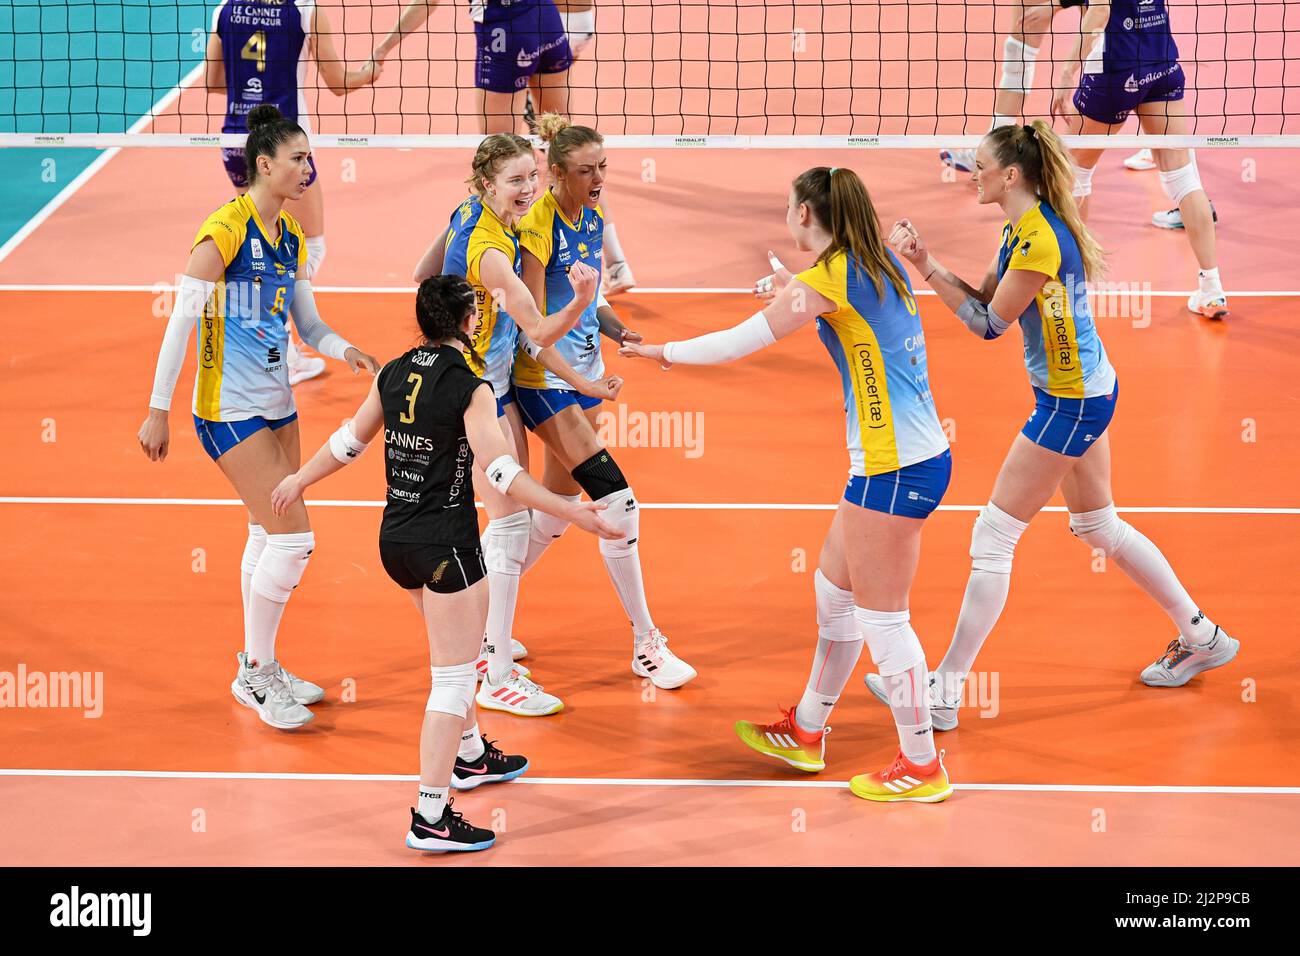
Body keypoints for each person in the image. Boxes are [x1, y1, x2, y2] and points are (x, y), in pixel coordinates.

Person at [873, 120, 1238, 733]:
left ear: (1010, 175)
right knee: (1099, 526)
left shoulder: (1038, 240)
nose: (973, 170)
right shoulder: (1022, 226)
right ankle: (1203, 635)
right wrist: (925, 261)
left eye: (981, 164)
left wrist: (923, 268)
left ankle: (944, 690)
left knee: (993, 537)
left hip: (1070, 405)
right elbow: (989, 302)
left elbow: (988, 326)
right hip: (1086, 390)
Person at [620, 167, 955, 804]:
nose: (785, 218)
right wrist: (790, 290)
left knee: (884, 619)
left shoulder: (826, 280)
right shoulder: (878, 259)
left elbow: (737, 343)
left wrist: (659, 352)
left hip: (896, 466)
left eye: (787, 209)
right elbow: (844, 315)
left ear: (805, 214)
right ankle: (806, 729)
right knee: (833, 590)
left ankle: (921, 763)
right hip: (895, 461)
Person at [271, 274, 619, 851]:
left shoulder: (393, 372)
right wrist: (569, 510)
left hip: (397, 543)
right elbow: (502, 473)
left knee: (465, 643)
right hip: (445, 545)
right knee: (454, 678)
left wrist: (298, 479)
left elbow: (348, 442)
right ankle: (430, 815)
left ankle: (473, 755)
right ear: (467, 323)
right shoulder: (471, 386)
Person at [137, 105, 380, 731]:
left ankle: (256, 665)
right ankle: (258, 672)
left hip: (279, 406)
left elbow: (310, 325)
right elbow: (180, 323)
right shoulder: (223, 231)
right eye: (298, 159)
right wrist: (157, 411)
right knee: (295, 538)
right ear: (263, 165)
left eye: (311, 157)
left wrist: (345, 349)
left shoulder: (291, 237)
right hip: (225, 410)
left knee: (265, 534)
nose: (310, 168)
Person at [415, 132, 618, 716]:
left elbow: (421, 273)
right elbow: (539, 331)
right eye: (516, 181)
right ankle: (494, 674)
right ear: (487, 184)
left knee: (510, 518)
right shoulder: (495, 253)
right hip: (471, 391)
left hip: (489, 381)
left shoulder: (469, 215)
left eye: (533, 177)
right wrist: (580, 300)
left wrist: (579, 385)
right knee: (507, 522)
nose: (529, 189)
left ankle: (488, 641)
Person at [510, 113, 696, 695]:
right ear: (556, 172)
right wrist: (585, 384)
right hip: (546, 382)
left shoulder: (591, 218)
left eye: (604, 167)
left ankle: (484, 613)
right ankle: (646, 644)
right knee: (618, 504)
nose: (598, 178)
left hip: (587, 373)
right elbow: (536, 331)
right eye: (586, 170)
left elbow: (590, 306)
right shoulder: (539, 228)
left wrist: (622, 333)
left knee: (554, 511)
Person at [204, 0, 380, 383]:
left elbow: (213, 82)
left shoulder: (224, 9)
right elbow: (337, 84)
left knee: (255, 243)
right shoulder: (305, 11)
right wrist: (368, 72)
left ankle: (261, 342)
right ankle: (277, 349)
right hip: (284, 147)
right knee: (307, 248)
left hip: (236, 144)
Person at [1051, 0, 1229, 318]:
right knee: (1183, 176)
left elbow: (1101, 9)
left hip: (1114, 70)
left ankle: (1070, 291)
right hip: (1161, 63)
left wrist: (1067, 70)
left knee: (1074, 173)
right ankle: (1212, 290)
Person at [369, 0, 572, 134]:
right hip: (547, 18)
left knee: (501, 159)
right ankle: (584, 201)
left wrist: (382, 50)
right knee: (562, 141)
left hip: (504, 34)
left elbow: (427, 3)